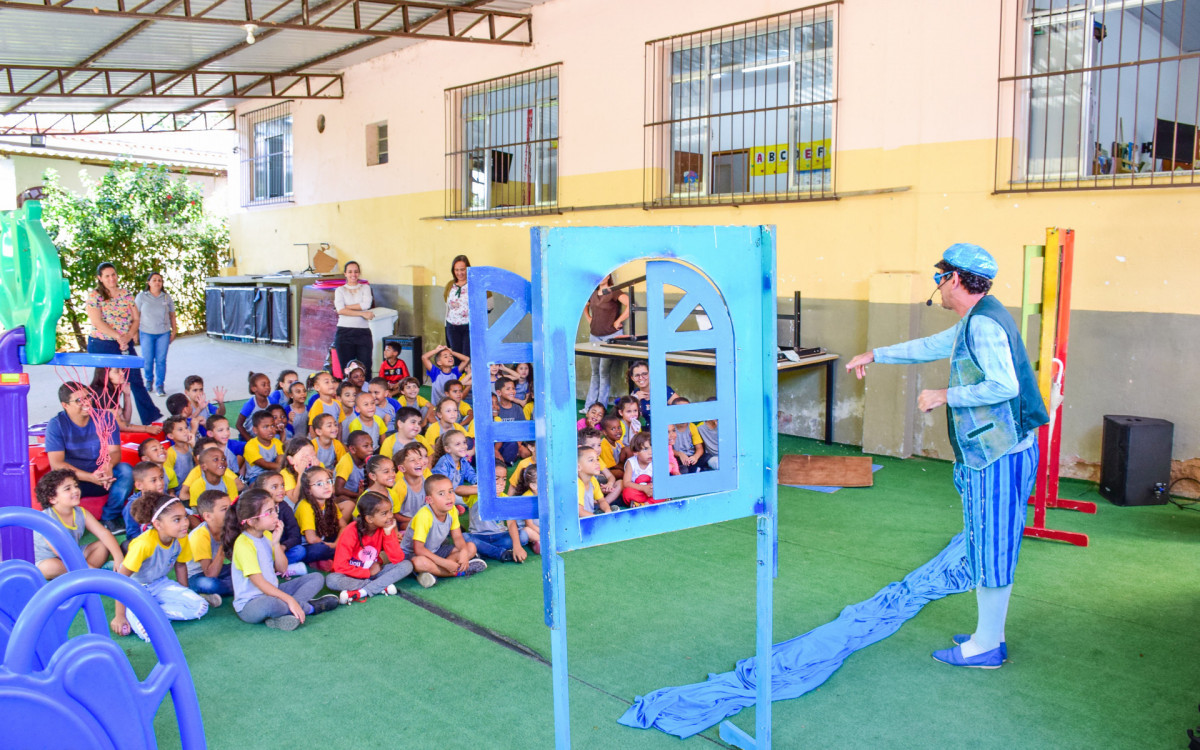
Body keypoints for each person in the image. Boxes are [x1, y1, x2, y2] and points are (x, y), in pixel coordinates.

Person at [844, 243, 1048, 670]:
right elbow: (933, 345)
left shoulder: (983, 325)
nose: (937, 286)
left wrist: (944, 395)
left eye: (939, 277)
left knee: (990, 546)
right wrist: (877, 354)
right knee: (991, 544)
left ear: (954, 279)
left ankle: (987, 646)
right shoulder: (982, 315)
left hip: (997, 454)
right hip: (1006, 448)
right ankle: (990, 635)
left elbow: (1004, 386)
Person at [223, 488, 339, 630]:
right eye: (269, 512)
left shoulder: (267, 535)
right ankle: (309, 608)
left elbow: (282, 568)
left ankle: (285, 614)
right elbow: (260, 583)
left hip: (274, 591)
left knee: (316, 578)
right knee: (271, 604)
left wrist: (276, 543)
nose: (276, 515)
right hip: (251, 605)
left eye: (275, 509)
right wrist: (289, 599)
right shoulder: (243, 544)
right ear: (252, 521)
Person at [109, 492, 213, 642]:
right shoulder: (143, 544)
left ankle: (151, 611)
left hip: (160, 584)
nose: (185, 523)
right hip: (135, 589)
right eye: (177, 520)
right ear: (158, 524)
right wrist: (119, 616)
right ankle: (136, 611)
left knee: (200, 606)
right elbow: (121, 580)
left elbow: (180, 566)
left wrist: (185, 592)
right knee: (149, 633)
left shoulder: (181, 538)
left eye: (185, 517)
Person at [45, 382, 134, 535]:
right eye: (79, 400)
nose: (86, 403)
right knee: (51, 483)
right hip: (74, 479)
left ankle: (110, 517)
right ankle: (64, 524)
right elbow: (56, 464)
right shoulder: (56, 425)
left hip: (103, 476)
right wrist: (90, 477)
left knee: (126, 471)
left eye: (88, 397)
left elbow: (114, 452)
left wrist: (107, 466)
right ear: (65, 405)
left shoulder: (106, 417)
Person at [86, 262, 162, 424]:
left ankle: (151, 418)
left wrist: (128, 336)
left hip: (124, 343)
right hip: (102, 343)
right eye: (107, 276)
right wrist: (118, 337)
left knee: (135, 379)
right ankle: (107, 419)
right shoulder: (94, 296)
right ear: (100, 278)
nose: (111, 278)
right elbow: (97, 322)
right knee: (107, 382)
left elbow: (136, 319)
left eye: (113, 274)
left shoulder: (126, 294)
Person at [32, 469, 123, 580]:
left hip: (74, 554)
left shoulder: (81, 513)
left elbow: (104, 533)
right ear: (52, 499)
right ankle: (92, 574)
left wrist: (119, 557)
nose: (75, 490)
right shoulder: (47, 519)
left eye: (75, 486)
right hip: (51, 559)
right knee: (49, 567)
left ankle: (86, 574)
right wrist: (95, 573)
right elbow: (63, 553)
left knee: (103, 546)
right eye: (68, 489)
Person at [327, 491, 414, 604]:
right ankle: (381, 587)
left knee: (406, 565)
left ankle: (362, 592)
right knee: (331, 580)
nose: (390, 516)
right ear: (369, 519)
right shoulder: (350, 531)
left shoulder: (385, 527)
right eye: (384, 513)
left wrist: (388, 534)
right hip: (351, 575)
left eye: (390, 511)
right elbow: (340, 566)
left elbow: (397, 559)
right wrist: (368, 573)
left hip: (376, 572)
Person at [400, 474, 485, 588]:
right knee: (419, 562)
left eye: (450, 491)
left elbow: (458, 537)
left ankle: (434, 572)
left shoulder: (452, 510)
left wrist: (464, 552)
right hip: (414, 555)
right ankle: (458, 572)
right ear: (429, 500)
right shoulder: (424, 515)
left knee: (471, 547)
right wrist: (445, 563)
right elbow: (419, 549)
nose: (448, 497)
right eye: (441, 494)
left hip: (436, 551)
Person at [584, 273, 630, 410]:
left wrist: (618, 321)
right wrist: (589, 318)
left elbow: (630, 305)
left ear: (609, 276)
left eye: (605, 275)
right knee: (595, 372)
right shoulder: (592, 292)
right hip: (594, 335)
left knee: (603, 372)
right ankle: (589, 407)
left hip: (610, 336)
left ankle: (601, 407)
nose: (602, 277)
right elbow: (585, 305)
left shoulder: (614, 291)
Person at [134, 272, 177, 397]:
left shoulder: (166, 297)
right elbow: (136, 315)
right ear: (149, 283)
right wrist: (134, 332)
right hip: (146, 333)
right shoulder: (142, 297)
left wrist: (174, 331)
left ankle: (160, 385)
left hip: (163, 333)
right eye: (154, 280)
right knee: (147, 360)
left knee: (161, 360)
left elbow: (172, 315)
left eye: (160, 280)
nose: (157, 282)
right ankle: (149, 380)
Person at [187, 490, 233, 598]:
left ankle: (212, 594)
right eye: (224, 509)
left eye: (231, 508)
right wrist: (223, 546)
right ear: (207, 516)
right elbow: (210, 574)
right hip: (196, 576)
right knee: (210, 584)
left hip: (218, 569)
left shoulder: (227, 528)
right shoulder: (199, 535)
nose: (231, 513)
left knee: (243, 572)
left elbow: (234, 559)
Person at [334, 260, 375, 374]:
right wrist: (362, 313)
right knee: (347, 369)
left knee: (365, 367)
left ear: (359, 273)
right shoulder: (340, 290)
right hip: (344, 332)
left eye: (356, 271)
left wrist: (346, 308)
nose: (353, 274)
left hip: (363, 332)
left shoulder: (365, 288)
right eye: (350, 272)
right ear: (345, 274)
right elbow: (340, 310)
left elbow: (366, 305)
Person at [627, 359, 679, 428]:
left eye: (644, 374)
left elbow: (682, 408)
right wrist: (635, 399)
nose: (641, 378)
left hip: (665, 430)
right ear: (632, 378)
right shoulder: (635, 393)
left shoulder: (662, 390)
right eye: (637, 375)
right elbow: (626, 416)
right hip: (645, 431)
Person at [443, 254, 473, 357]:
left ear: (468, 269)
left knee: (467, 357)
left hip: (469, 327)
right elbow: (447, 303)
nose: (459, 273)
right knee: (455, 356)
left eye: (462, 269)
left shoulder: (475, 284)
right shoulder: (450, 285)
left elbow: (489, 305)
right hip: (452, 326)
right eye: (456, 270)